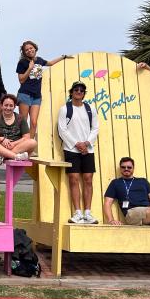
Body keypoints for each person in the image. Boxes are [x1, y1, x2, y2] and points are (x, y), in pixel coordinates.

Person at [57, 81, 100, 224]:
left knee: (88, 179)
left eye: (82, 90)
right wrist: (76, 144)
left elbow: (95, 128)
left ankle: (88, 212)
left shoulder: (90, 109)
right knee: (73, 179)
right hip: (71, 149)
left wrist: (86, 143)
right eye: (76, 89)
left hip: (88, 148)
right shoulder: (65, 109)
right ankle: (77, 213)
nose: (79, 92)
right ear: (72, 92)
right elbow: (62, 130)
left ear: (84, 93)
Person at [16, 40, 71, 138]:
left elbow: (50, 63)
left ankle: (30, 145)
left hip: (36, 96)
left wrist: (63, 57)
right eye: (26, 50)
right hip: (25, 94)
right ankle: (21, 144)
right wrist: (29, 68)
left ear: (35, 48)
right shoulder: (22, 62)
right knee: (23, 122)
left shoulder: (39, 60)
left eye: (31, 48)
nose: (29, 50)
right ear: (24, 52)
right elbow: (21, 80)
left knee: (33, 122)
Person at [0, 94, 37, 168]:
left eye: (11, 105)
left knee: (33, 142)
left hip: (17, 147)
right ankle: (15, 156)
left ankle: (1, 157)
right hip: (1, 146)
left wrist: (14, 143)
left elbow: (26, 137)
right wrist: (2, 139)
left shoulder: (20, 118)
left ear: (14, 106)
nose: (8, 108)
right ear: (1, 106)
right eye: (6, 105)